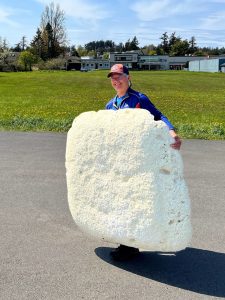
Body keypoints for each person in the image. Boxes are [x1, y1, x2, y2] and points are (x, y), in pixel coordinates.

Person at [105, 64, 182, 261]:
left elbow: (158, 116)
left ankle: (129, 245)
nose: (116, 80)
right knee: (121, 201)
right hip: (119, 161)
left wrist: (171, 132)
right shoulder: (110, 105)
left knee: (132, 200)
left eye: (119, 76)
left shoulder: (139, 99)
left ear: (128, 78)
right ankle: (128, 242)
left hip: (139, 160)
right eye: (113, 77)